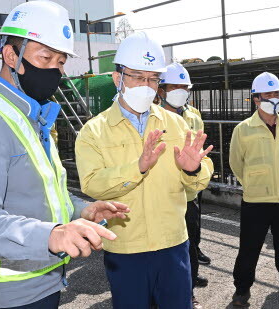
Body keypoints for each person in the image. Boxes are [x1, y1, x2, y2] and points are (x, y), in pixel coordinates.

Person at [0, 2, 129, 309]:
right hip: (6, 296)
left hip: (43, 283)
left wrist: (81, 211)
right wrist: (52, 235)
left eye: (60, 61)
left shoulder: (32, 115)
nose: (56, 71)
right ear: (11, 56)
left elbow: (39, 195)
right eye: (45, 57)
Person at [75, 32, 214, 309]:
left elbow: (198, 180)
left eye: (152, 79)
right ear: (118, 79)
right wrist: (136, 168)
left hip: (173, 244)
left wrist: (193, 170)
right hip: (126, 248)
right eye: (137, 77)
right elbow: (92, 183)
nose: (146, 86)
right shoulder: (94, 130)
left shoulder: (175, 124)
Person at [229, 72, 279, 307]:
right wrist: (255, 182)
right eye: (268, 94)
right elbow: (236, 163)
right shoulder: (243, 129)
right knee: (249, 247)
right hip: (256, 199)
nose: (274, 97)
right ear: (256, 98)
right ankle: (242, 289)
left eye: (277, 93)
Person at [158, 62, 214, 309]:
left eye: (184, 87)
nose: (180, 91)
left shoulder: (193, 115)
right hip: (162, 191)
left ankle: (188, 291)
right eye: (174, 86)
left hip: (189, 190)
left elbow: (202, 150)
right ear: (161, 90)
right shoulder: (151, 115)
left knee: (189, 242)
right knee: (162, 246)